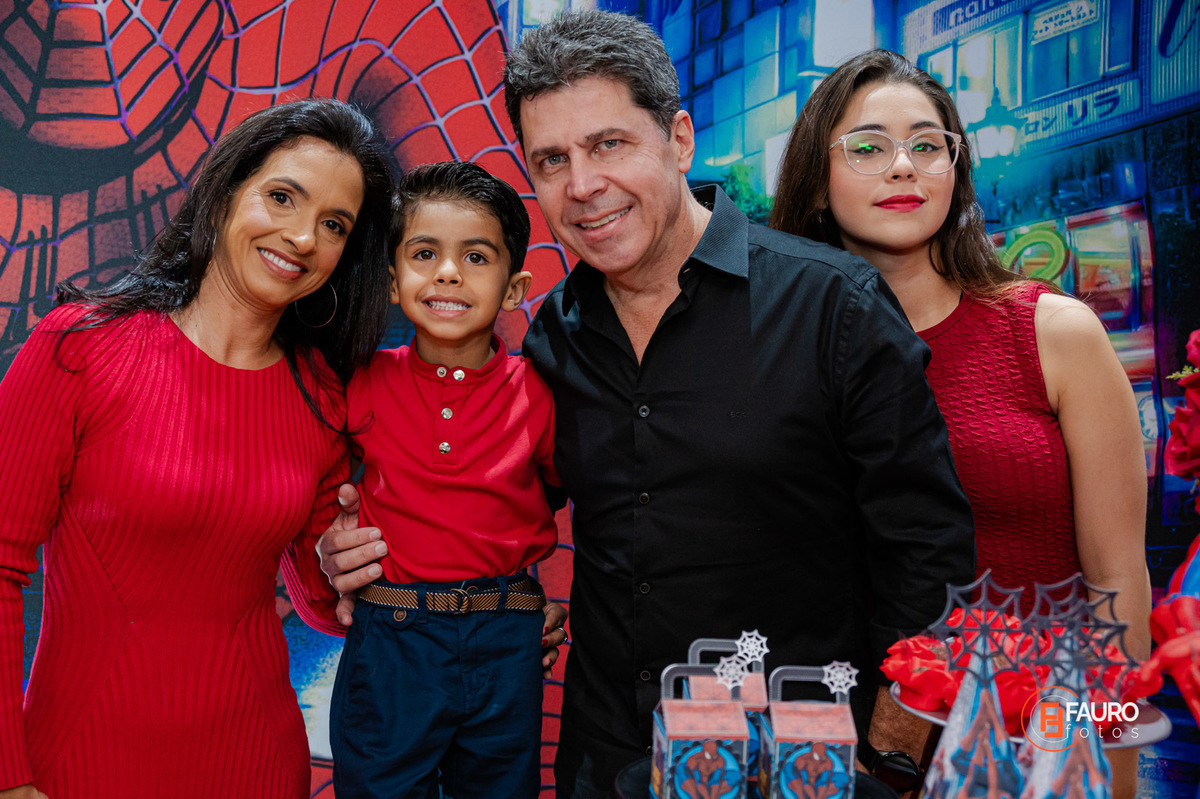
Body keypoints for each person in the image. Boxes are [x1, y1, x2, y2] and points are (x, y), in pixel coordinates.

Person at [504, 12, 977, 796]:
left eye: (609, 144)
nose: (582, 185)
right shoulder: (554, 334)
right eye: (552, 159)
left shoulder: (833, 305)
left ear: (679, 139)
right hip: (606, 756)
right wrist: (356, 540)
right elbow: (498, 496)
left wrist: (891, 755)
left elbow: (930, 552)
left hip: (790, 761)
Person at [769, 49, 1152, 797]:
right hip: (859, 753)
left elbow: (1117, 578)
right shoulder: (783, 358)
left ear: (956, 168)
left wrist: (1115, 761)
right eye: (868, 147)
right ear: (816, 179)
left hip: (1039, 749)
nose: (903, 167)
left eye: (927, 145)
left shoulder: (1054, 333)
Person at [0, 98, 396, 799]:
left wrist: (491, 612)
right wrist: (7, 774)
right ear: (225, 192)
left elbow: (319, 602)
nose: (302, 236)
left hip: (259, 767)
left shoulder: (319, 394)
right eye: (282, 197)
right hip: (82, 766)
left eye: (334, 224)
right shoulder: (80, 347)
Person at [328, 161, 561, 799]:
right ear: (393, 281)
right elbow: (318, 486)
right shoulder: (362, 381)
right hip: (391, 638)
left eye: (476, 257)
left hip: (505, 636)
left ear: (514, 289)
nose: (449, 273)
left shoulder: (540, 393)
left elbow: (571, 491)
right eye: (424, 253)